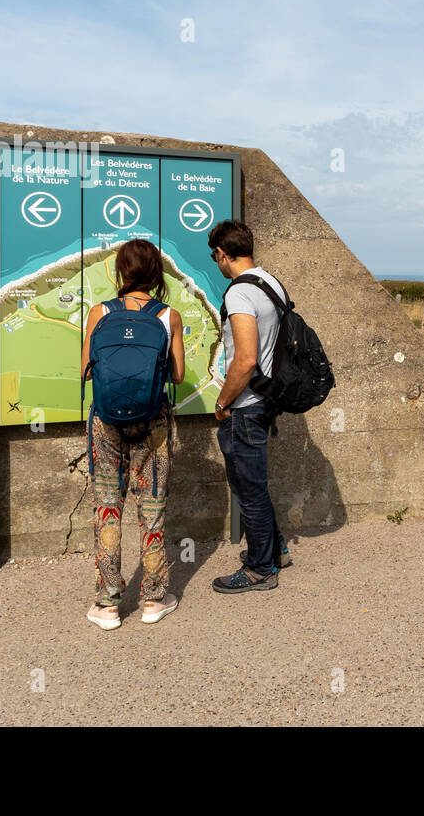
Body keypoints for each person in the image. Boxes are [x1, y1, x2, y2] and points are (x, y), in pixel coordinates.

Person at [82, 239, 184, 630]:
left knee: (108, 506)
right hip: (153, 422)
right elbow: (176, 376)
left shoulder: (99, 313)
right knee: (152, 508)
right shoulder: (168, 316)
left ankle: (108, 605)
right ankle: (154, 600)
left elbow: (85, 370)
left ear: (120, 272)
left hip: (106, 422)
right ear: (157, 272)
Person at [208, 220, 292, 594]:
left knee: (248, 490)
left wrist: (224, 401)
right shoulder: (271, 283)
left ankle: (260, 569)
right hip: (266, 400)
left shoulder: (238, 294)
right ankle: (277, 550)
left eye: (215, 257)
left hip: (245, 406)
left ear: (223, 254)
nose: (217, 263)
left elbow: (244, 360)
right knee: (256, 485)